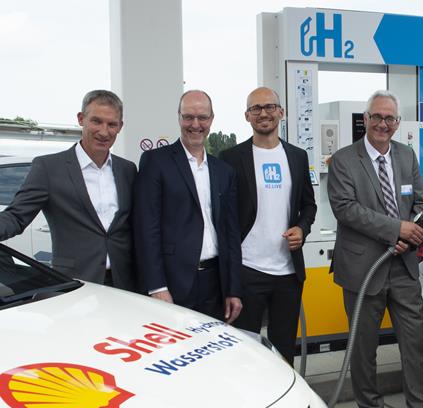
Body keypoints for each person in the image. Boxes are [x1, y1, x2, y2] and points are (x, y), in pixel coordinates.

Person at [328, 90, 423, 408]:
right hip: (363, 270)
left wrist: (412, 232)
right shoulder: (344, 160)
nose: (383, 124)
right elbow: (346, 209)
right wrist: (395, 230)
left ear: (397, 123)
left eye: (390, 118)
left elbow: (421, 203)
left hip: (403, 267)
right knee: (364, 348)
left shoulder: (405, 155)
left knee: (416, 343)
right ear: (365, 119)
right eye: (377, 117)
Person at [0, 90, 137, 290]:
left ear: (120, 127)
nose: (104, 131)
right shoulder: (48, 168)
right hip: (76, 284)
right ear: (81, 119)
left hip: (125, 283)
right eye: (96, 121)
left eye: (112, 124)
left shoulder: (127, 170)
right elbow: (16, 216)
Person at [219, 87, 316, 364]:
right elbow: (224, 216)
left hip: (288, 273)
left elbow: (309, 205)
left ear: (281, 112)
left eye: (270, 107)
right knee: (244, 352)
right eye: (256, 108)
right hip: (247, 270)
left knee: (284, 353)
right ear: (246, 116)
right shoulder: (230, 158)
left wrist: (302, 228)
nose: (263, 113)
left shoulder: (297, 156)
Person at [134, 90, 242, 323]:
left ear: (211, 119)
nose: (195, 124)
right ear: (179, 117)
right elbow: (146, 229)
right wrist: (157, 286)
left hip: (216, 284)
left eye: (202, 117)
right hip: (173, 283)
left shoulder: (224, 171)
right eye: (188, 117)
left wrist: (233, 288)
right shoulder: (156, 161)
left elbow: (231, 233)